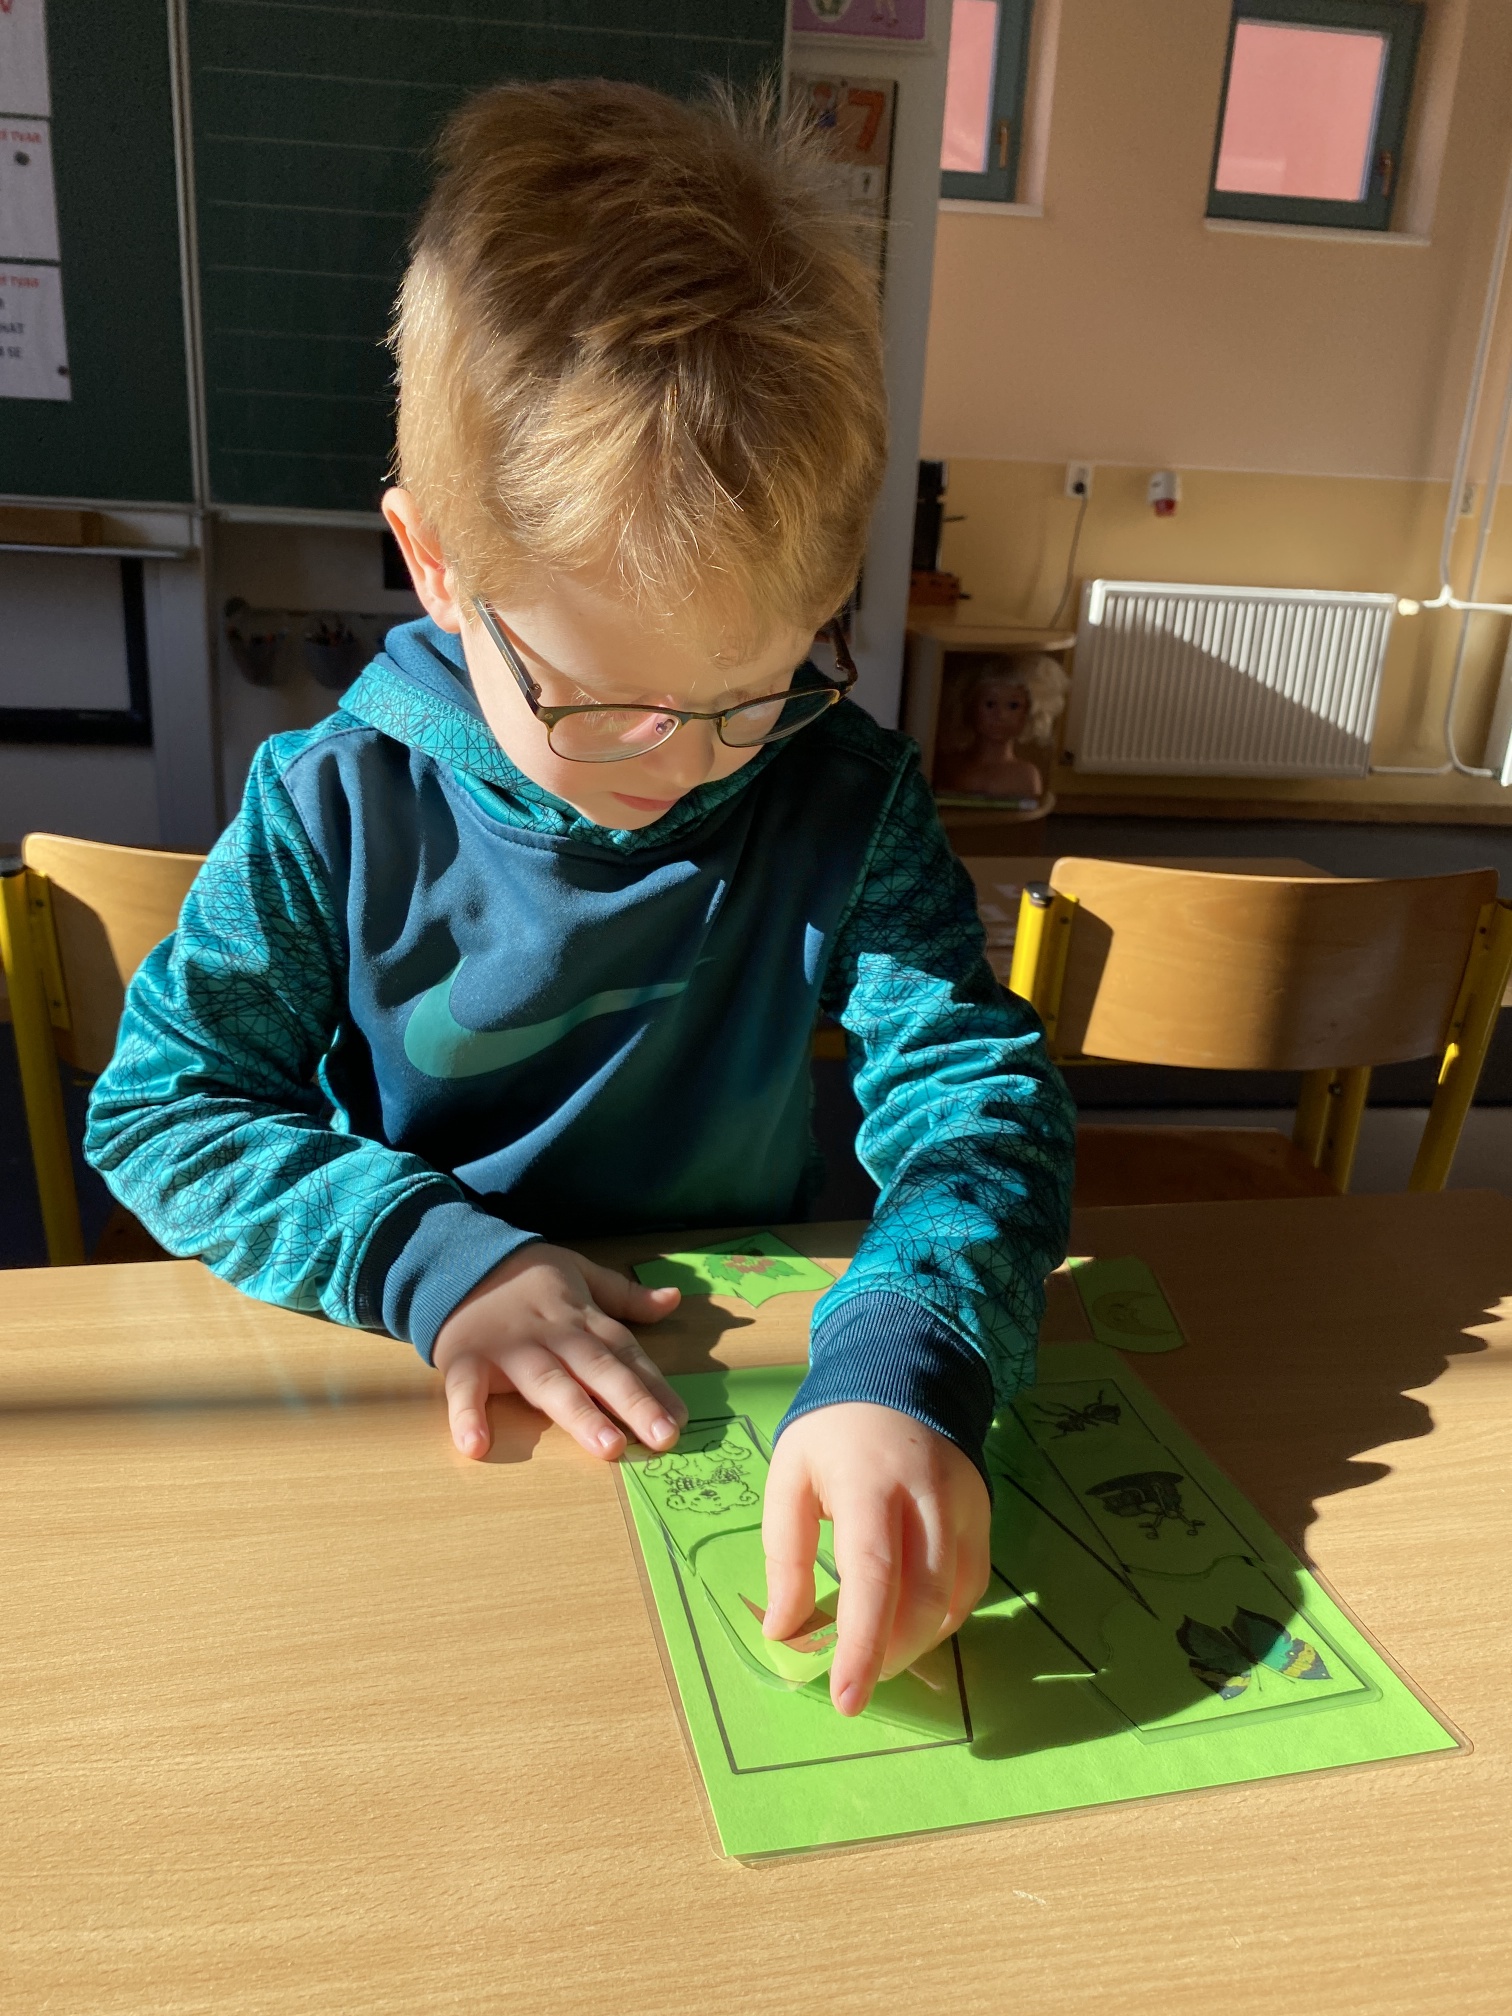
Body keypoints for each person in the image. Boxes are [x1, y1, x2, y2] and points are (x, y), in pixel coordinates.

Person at [85, 81, 1074, 1719]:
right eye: (600, 703)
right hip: (427, 1410)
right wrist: (437, 1260)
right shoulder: (335, 808)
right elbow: (165, 1112)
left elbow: (978, 1106)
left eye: (750, 692)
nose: (678, 763)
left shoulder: (844, 795)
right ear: (434, 564)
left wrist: (914, 1353)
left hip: (731, 1394)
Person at [933, 653, 1069, 801]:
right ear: (970, 705)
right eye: (990, 704)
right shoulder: (950, 765)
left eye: (1013, 706)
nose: (1001, 715)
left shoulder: (1026, 776)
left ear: (1030, 712)